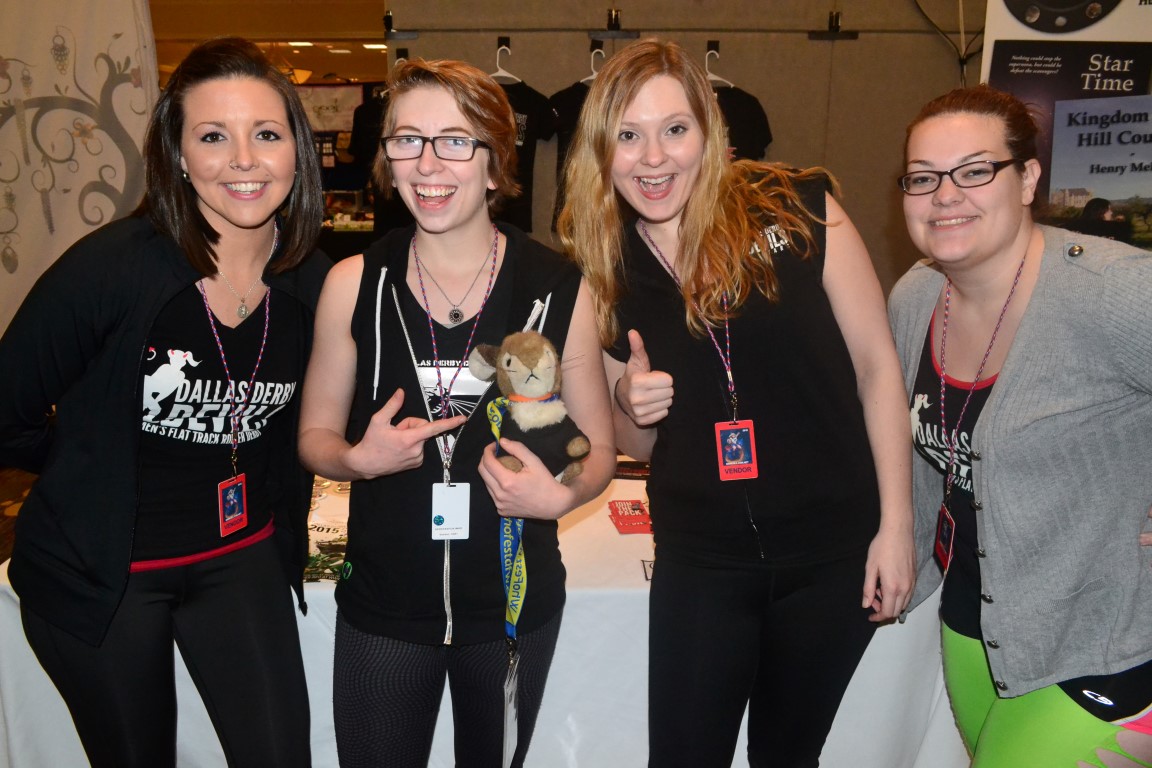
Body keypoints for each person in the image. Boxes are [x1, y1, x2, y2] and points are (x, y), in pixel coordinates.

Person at [557, 39, 915, 767]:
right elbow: (638, 445)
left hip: (832, 551)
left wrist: (897, 525)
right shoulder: (604, 268)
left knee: (788, 755)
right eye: (628, 136)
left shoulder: (800, 210)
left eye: (674, 129)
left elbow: (879, 369)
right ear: (602, 150)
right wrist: (630, 403)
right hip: (702, 559)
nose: (654, 158)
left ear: (708, 130)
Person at [0, 37, 328, 767]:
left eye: (266, 134)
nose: (243, 160)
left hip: (239, 555)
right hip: (107, 573)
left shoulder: (313, 285)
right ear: (178, 155)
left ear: (297, 152)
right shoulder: (110, 271)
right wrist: (83, 462)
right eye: (213, 136)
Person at [297, 58, 614, 768]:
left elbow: (596, 450)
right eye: (407, 140)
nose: (428, 162)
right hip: (385, 605)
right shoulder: (353, 283)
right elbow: (314, 436)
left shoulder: (558, 288)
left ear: (496, 164)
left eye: (455, 141)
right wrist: (354, 460)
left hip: (510, 608)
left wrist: (560, 495)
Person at [889, 84, 1152, 765]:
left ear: (1028, 178)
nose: (946, 195)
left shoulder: (1113, 292)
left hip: (1102, 647)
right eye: (924, 177)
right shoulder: (916, 296)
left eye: (975, 170)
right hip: (974, 628)